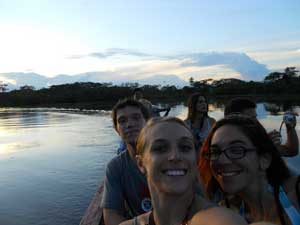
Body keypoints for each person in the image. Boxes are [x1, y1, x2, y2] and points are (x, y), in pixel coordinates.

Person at [120, 117, 248, 225]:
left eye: (185, 147)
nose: (175, 156)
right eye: (160, 148)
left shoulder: (222, 221)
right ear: (141, 163)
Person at [199, 115, 300, 224]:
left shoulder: (296, 193)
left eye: (236, 150)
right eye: (215, 152)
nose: (222, 161)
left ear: (264, 160)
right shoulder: (225, 212)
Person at [101, 99, 152, 225]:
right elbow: (111, 216)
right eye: (122, 121)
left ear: (148, 122)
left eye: (136, 118)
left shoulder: (171, 157)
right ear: (117, 129)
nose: (129, 124)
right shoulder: (116, 167)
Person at [224, 98, 299, 157]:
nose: (255, 122)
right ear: (233, 122)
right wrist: (264, 146)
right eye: (250, 119)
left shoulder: (256, 136)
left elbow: (291, 151)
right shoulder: (223, 145)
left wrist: (290, 128)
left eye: (255, 117)